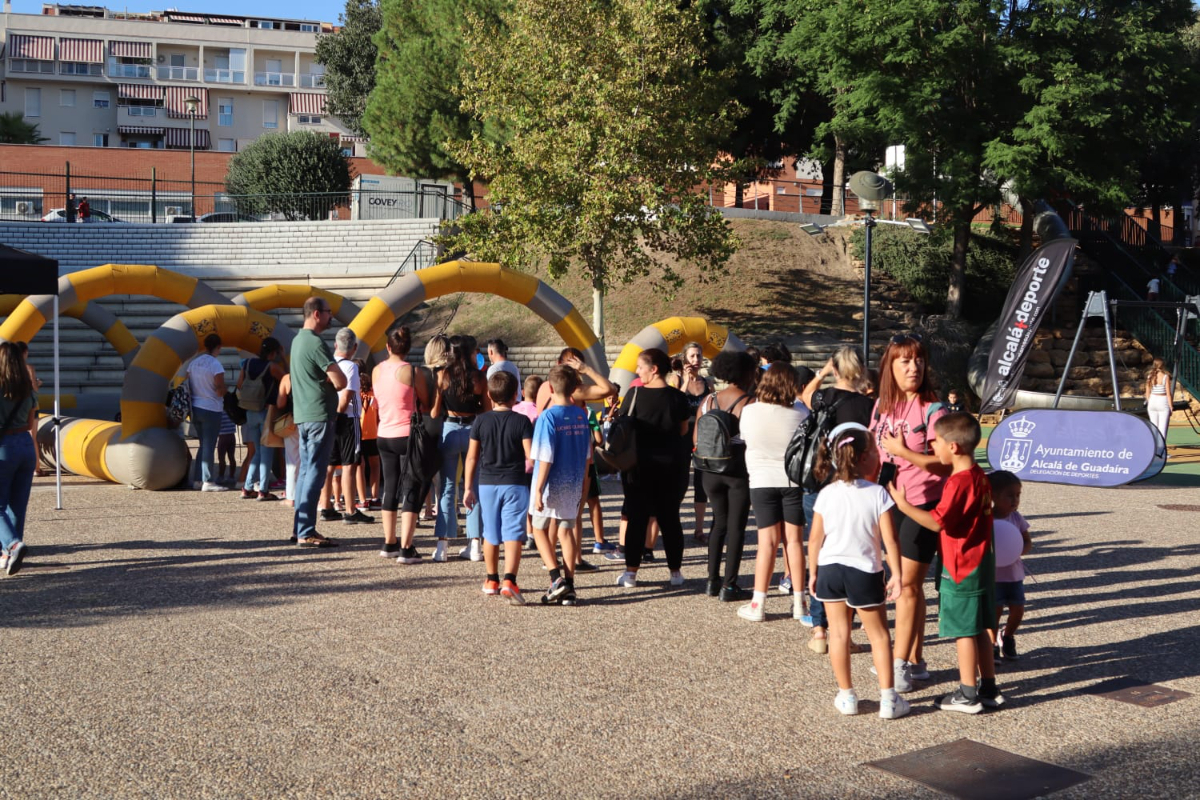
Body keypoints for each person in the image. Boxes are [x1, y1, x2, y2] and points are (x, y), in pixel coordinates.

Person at [889, 412, 1003, 713]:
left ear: (952, 447)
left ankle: (967, 693)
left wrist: (903, 505)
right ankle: (988, 686)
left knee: (964, 629)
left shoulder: (957, 483)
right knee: (978, 625)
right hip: (981, 563)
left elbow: (938, 523)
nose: (932, 449)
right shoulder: (980, 476)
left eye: (935, 442)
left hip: (960, 565)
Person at [807, 424, 907, 719]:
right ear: (865, 457)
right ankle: (888, 699)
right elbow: (890, 539)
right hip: (863, 569)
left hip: (829, 567)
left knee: (837, 634)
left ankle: (847, 695)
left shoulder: (826, 493)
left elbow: (815, 539)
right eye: (876, 450)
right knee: (878, 635)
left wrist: (813, 572)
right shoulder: (877, 493)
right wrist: (897, 574)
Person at [871, 333, 949, 692]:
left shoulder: (934, 409)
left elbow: (947, 465)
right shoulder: (881, 407)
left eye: (918, 360)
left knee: (905, 586)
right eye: (904, 360)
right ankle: (916, 661)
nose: (913, 367)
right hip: (887, 505)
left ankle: (899, 663)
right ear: (890, 365)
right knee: (908, 587)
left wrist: (906, 453)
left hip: (921, 505)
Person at [799, 346, 877, 651]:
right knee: (855, 549)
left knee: (819, 548)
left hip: (821, 477)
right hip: (854, 481)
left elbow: (805, 396)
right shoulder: (867, 405)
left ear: (837, 367)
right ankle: (846, 627)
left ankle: (820, 628)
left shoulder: (823, 398)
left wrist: (822, 372)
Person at [735, 362, 808, 622]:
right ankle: (800, 602)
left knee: (766, 543)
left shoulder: (750, 411)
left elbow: (745, 438)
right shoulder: (800, 412)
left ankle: (759, 602)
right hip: (793, 481)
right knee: (795, 542)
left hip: (761, 479)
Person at [614, 348, 692, 589]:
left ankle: (631, 573)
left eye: (640, 367)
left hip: (638, 467)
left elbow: (623, 426)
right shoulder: (678, 398)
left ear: (654, 369)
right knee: (670, 520)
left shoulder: (634, 393)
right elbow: (683, 430)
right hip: (671, 468)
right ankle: (675, 572)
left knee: (636, 519)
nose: (637, 371)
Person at [464, 371, 534, 604]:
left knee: (490, 532)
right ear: (516, 395)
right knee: (514, 531)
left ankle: (491, 579)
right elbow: (529, 455)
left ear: (489, 395)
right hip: (514, 481)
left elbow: (472, 458)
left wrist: (467, 487)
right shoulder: (522, 421)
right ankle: (509, 580)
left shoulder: (481, 421)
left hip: (487, 482)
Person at [695, 350, 757, 602]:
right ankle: (729, 585)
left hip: (709, 469)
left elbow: (697, 438)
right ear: (747, 374)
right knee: (736, 527)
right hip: (737, 470)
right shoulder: (750, 402)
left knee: (718, 522)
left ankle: (712, 580)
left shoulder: (708, 400)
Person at [529, 365, 593, 605]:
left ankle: (556, 579)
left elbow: (544, 456)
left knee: (538, 529)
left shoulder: (547, 417)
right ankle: (570, 586)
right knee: (566, 531)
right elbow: (588, 455)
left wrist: (537, 489)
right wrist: (583, 484)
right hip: (573, 480)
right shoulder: (581, 415)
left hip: (550, 483)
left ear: (551, 388)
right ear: (575, 389)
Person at [373, 326, 435, 564]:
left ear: (388, 347)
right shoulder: (411, 371)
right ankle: (407, 547)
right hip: (406, 434)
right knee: (412, 486)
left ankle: (389, 541)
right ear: (408, 349)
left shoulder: (377, 371)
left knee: (389, 487)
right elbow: (425, 402)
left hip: (384, 433)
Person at [290, 296, 348, 547]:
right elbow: (341, 381)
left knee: (305, 473)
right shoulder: (315, 343)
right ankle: (306, 531)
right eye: (327, 312)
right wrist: (329, 380)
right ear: (316, 314)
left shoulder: (296, 341)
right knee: (315, 473)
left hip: (303, 414)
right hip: (319, 415)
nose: (330, 317)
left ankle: (299, 527)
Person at [432, 336, 490, 562]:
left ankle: (442, 546)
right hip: (473, 430)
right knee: (472, 485)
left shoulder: (443, 375)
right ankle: (475, 544)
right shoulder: (479, 378)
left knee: (447, 487)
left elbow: (436, 413)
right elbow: (485, 411)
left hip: (449, 429)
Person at [320, 328, 373, 525]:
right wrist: (340, 416)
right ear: (354, 347)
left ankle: (326, 505)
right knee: (350, 464)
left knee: (330, 464)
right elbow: (348, 395)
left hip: (329, 417)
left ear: (335, 345)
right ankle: (350, 509)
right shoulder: (351, 367)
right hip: (348, 418)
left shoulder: (329, 365)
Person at [0, 341, 38, 576]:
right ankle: (10, 553)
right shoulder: (28, 389)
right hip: (25, 445)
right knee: (17, 506)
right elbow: (30, 423)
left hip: (3, 447)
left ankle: (12, 545)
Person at [668, 342, 712, 543]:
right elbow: (673, 403)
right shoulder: (676, 379)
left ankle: (699, 528)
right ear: (685, 359)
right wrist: (685, 380)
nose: (696, 360)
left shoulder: (707, 382)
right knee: (680, 481)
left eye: (699, 356)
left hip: (702, 436)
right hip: (682, 436)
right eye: (692, 356)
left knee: (701, 483)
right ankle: (673, 525)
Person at [989, 471, 1031, 661]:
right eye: (1009, 495)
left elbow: (1027, 541)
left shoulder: (1016, 518)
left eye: (1018, 495)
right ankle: (992, 644)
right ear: (993, 497)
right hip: (994, 577)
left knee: (1018, 609)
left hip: (1014, 575)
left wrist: (1018, 550)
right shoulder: (987, 519)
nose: (1015, 500)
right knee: (995, 612)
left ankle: (1008, 636)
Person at [236, 337, 285, 500]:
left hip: (250, 411)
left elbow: (239, 384)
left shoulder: (247, 364)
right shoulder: (272, 367)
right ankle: (263, 490)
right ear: (273, 352)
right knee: (267, 451)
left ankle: (248, 487)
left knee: (257, 451)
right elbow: (287, 380)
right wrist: (283, 358)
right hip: (266, 411)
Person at [188, 333, 229, 492]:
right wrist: (226, 391)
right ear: (218, 347)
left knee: (202, 444)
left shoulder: (194, 363)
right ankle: (208, 480)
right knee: (209, 445)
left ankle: (198, 479)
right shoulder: (216, 365)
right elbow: (219, 390)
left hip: (196, 406)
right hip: (212, 407)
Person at [265, 371, 300, 508]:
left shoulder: (287, 378)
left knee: (292, 460)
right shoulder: (312, 373)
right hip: (312, 419)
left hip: (292, 422)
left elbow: (280, 403)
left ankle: (291, 496)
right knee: (309, 459)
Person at [15, 342, 44, 477]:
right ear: (25, 352)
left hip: (15, 406)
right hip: (31, 405)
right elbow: (34, 388)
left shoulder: (10, 368)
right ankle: (36, 468)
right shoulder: (28, 368)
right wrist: (37, 383)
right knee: (33, 437)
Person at [359, 364, 381, 509]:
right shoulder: (375, 394)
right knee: (375, 465)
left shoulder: (356, 394)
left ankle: (362, 499)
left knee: (359, 466)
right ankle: (375, 496)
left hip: (358, 433)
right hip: (373, 433)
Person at [1144, 358, 1174, 451]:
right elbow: (1168, 394)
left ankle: (1153, 449)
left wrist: (1150, 401)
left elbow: (1147, 392)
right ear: (1163, 365)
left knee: (1154, 427)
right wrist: (1171, 406)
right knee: (1162, 428)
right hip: (1162, 400)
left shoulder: (1150, 376)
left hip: (1152, 400)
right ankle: (1161, 451)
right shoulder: (1165, 376)